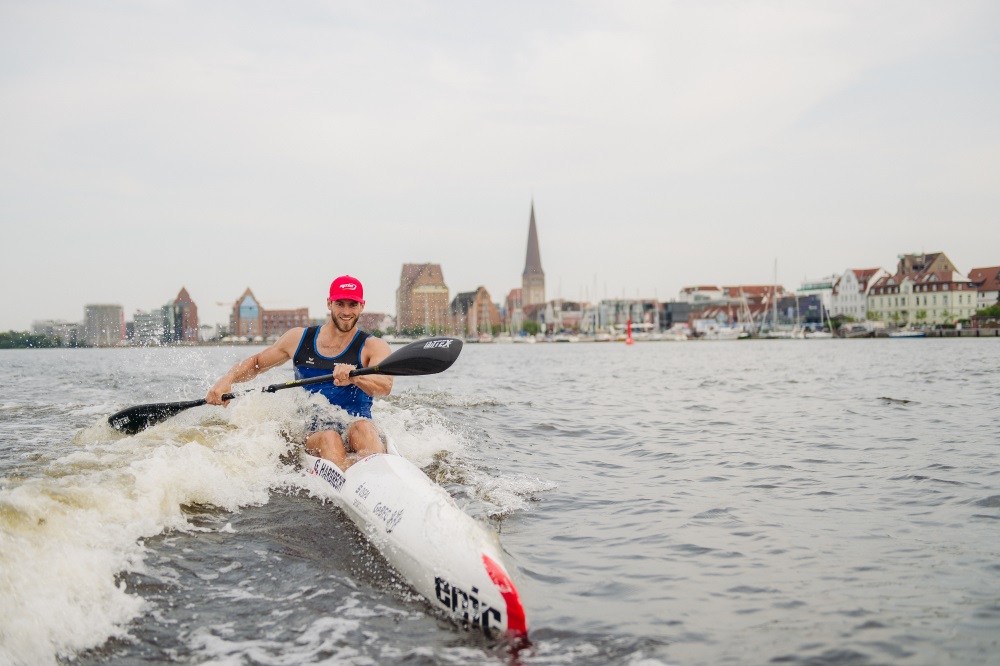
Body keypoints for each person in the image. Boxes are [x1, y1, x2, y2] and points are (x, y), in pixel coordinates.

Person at [206, 275, 393, 470]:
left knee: (363, 428)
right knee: (330, 437)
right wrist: (227, 379)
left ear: (362, 306)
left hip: (358, 428)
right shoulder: (298, 339)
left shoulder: (373, 346)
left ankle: (380, 474)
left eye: (352, 304)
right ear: (329, 303)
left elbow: (384, 386)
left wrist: (356, 376)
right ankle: (351, 480)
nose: (346, 311)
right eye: (340, 304)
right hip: (317, 434)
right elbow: (256, 364)